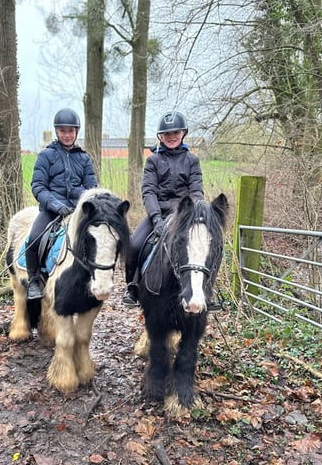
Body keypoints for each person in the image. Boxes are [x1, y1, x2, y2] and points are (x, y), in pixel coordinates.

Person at [122, 110, 221, 312]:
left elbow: (196, 192)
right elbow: (148, 192)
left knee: (210, 246)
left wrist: (192, 215)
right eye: (167, 133)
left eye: (176, 132)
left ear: (183, 133)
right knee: (134, 245)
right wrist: (156, 218)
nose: (172, 136)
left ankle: (208, 291)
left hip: (185, 216)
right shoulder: (153, 161)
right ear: (161, 137)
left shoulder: (192, 161)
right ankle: (132, 287)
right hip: (158, 214)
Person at [25, 108, 98, 299]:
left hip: (77, 209)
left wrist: (82, 203)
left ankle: (95, 276)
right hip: (52, 209)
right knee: (34, 238)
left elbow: (92, 187)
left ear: (76, 132)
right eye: (63, 131)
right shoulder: (46, 156)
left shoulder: (83, 158)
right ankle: (33, 280)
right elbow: (38, 186)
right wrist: (56, 205)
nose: (67, 135)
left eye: (71, 131)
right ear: (57, 132)